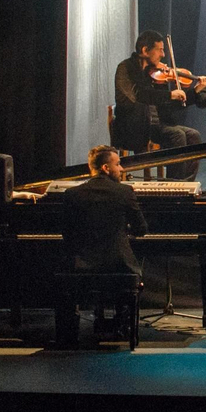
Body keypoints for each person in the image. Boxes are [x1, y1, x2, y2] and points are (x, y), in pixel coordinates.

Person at [59, 144, 148, 338]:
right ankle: (121, 322)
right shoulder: (124, 192)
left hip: (82, 265)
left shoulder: (71, 195)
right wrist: (124, 230)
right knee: (132, 268)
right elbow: (141, 230)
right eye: (118, 164)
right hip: (118, 264)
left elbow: (67, 233)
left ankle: (67, 333)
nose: (122, 169)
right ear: (106, 168)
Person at [113, 29, 206, 181]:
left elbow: (170, 106)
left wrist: (195, 91)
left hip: (157, 126)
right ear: (145, 50)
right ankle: (174, 185)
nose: (163, 55)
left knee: (193, 135)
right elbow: (139, 95)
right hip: (134, 126)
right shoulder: (126, 68)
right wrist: (169, 94)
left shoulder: (157, 74)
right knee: (177, 135)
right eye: (160, 50)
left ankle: (187, 183)